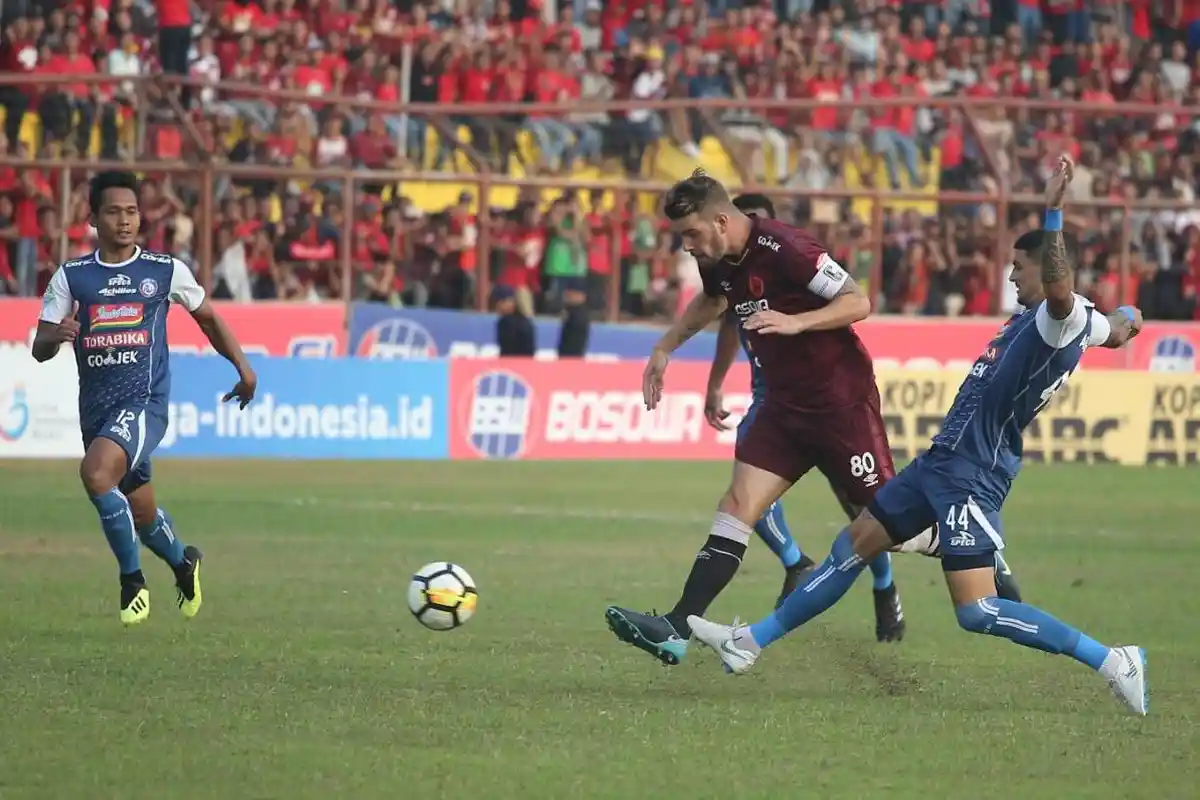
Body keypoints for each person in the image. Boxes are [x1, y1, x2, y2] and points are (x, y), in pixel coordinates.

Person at [687, 157, 1149, 717]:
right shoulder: (1085, 320)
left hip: (974, 475)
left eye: (1018, 268)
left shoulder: (1060, 316)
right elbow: (1117, 328)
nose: (1010, 277)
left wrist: (1052, 211)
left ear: (1048, 271)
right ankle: (748, 644)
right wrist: (1128, 314)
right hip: (939, 463)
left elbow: (1060, 289)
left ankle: (1114, 660)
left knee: (975, 611)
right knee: (851, 546)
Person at [605, 170, 907, 666]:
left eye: (692, 234)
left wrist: (798, 321)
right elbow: (712, 301)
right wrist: (665, 347)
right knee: (738, 503)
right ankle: (676, 628)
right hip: (783, 410)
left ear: (722, 220)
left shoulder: (787, 247)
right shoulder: (718, 259)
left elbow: (858, 300)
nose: (686, 246)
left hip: (840, 406)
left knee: (889, 522)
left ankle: (979, 551)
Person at [709, 194, 1023, 624]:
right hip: (775, 404)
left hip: (831, 407)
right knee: (745, 498)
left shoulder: (788, 262)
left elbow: (854, 302)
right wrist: (709, 381)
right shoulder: (731, 274)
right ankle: (792, 562)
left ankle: (936, 559)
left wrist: (798, 322)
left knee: (870, 515)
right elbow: (725, 323)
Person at [32, 171, 257, 626]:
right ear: (94, 218)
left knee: (96, 475)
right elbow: (39, 349)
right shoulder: (73, 277)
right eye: (114, 211)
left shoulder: (164, 271)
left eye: (132, 211)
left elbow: (209, 319)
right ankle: (183, 563)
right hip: (95, 412)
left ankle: (131, 581)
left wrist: (244, 369)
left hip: (143, 404)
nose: (125, 220)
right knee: (142, 512)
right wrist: (56, 334)